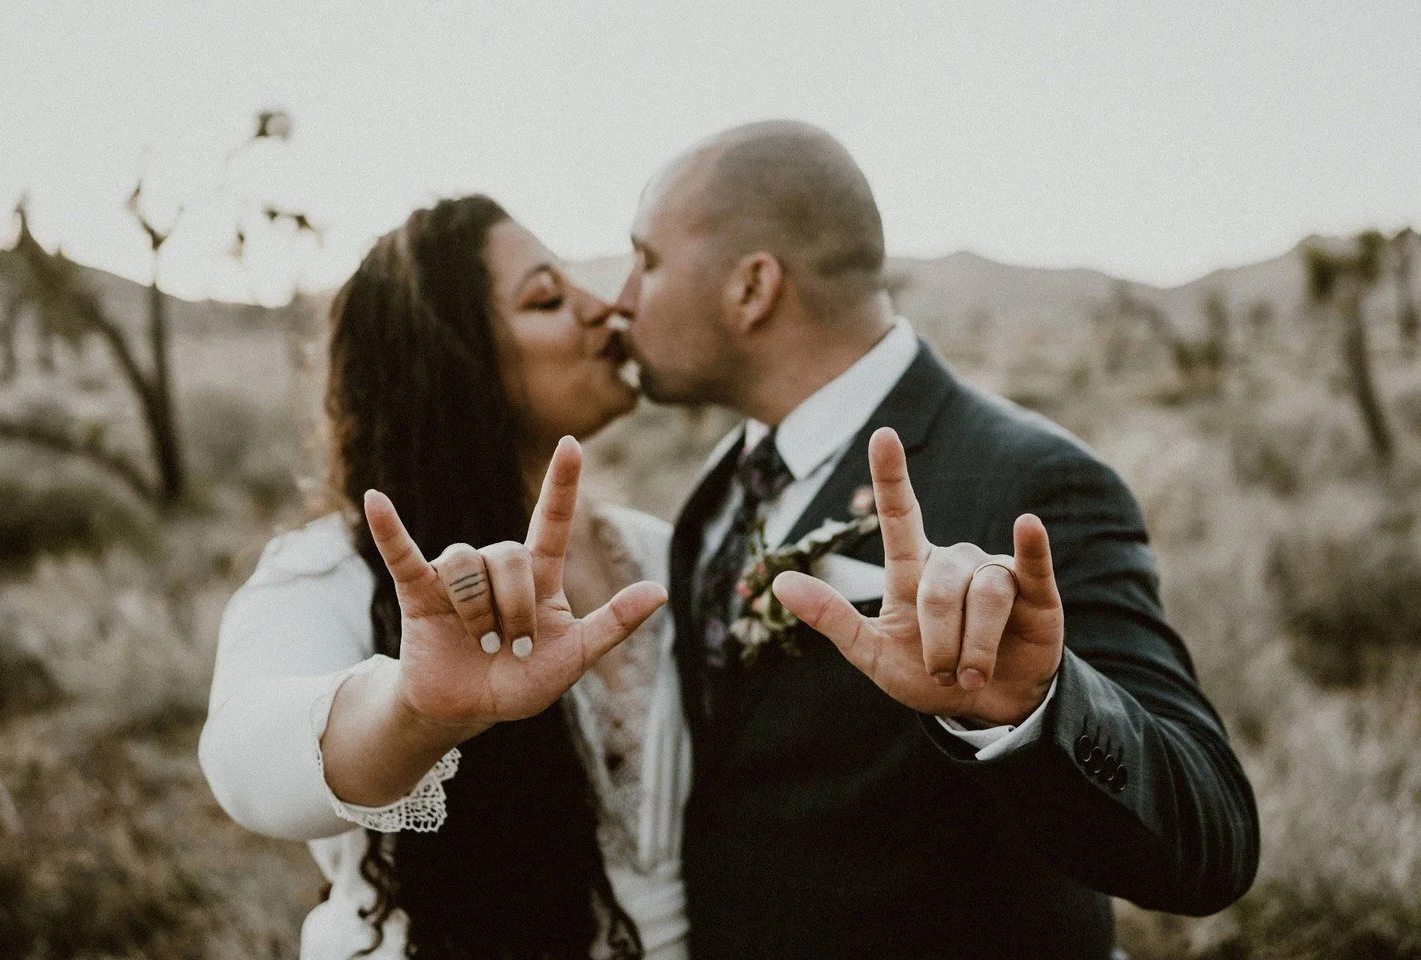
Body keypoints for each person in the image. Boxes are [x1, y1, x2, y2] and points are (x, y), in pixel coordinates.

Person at [608, 120, 1261, 960]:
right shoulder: (721, 480)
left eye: (647, 261)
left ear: (751, 288)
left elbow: (1212, 839)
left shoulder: (1029, 483)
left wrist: (1036, 706)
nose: (621, 298)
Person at [199, 195, 690, 960]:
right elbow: (245, 765)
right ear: (450, 359)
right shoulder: (332, 573)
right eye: (547, 298)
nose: (604, 309)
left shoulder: (657, 554)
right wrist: (416, 714)